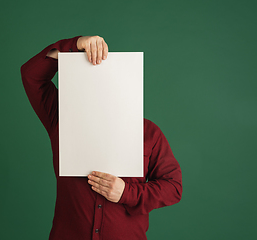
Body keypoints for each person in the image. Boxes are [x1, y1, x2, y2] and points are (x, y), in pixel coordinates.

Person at [20, 35, 183, 240]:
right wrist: (75, 45)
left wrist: (127, 193)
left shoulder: (149, 132)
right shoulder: (62, 119)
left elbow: (173, 187)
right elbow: (31, 75)